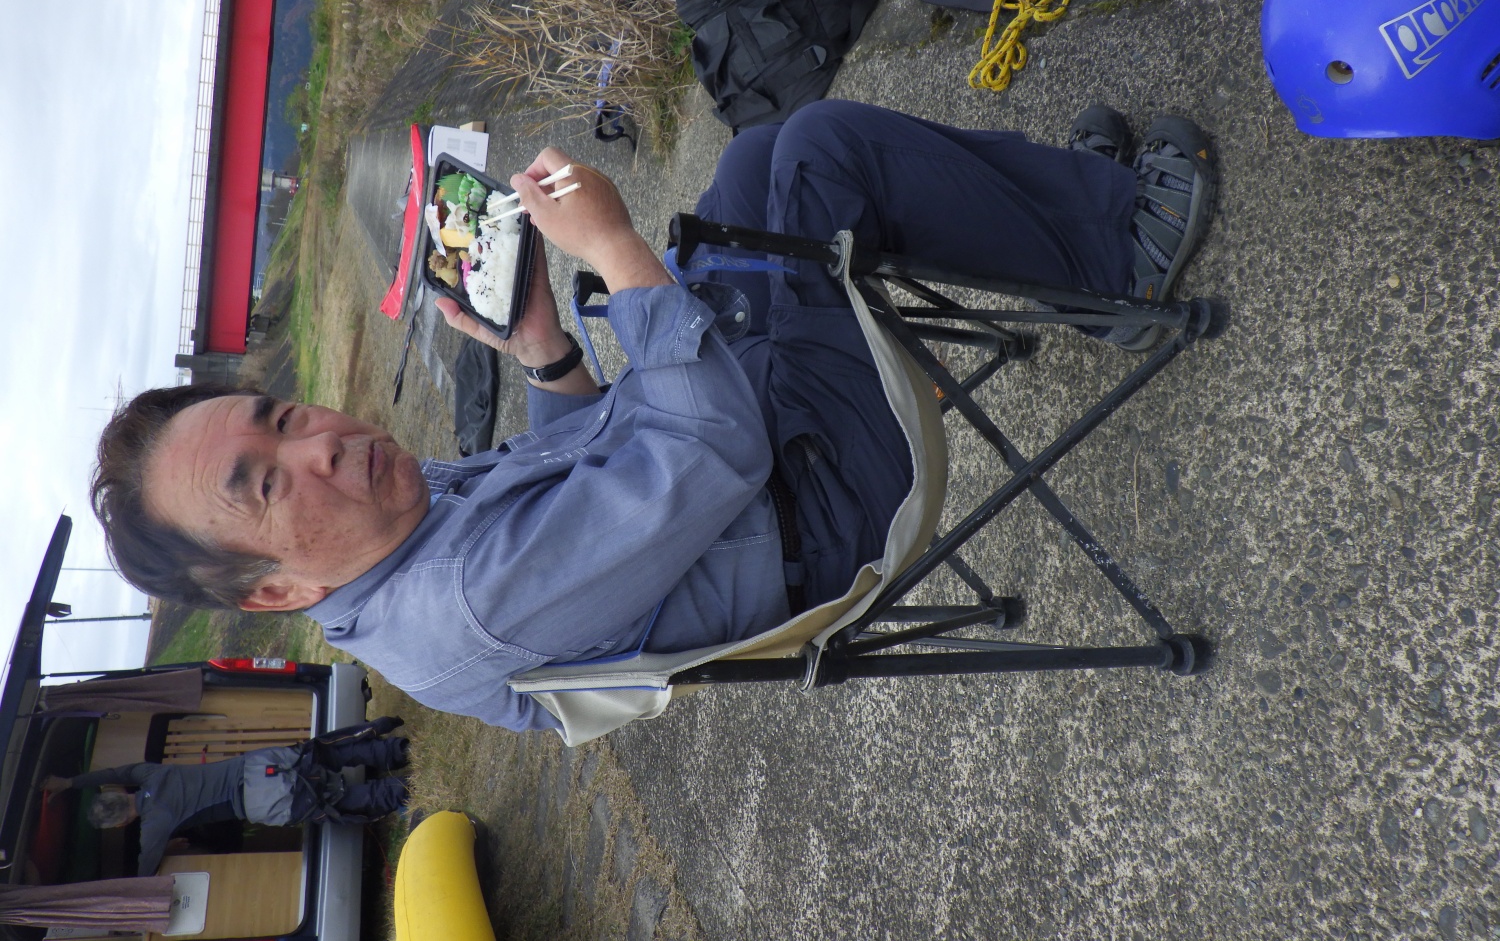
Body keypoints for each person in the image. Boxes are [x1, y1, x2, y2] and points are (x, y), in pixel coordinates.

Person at [91, 100, 1216, 733]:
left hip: (750, 466)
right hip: (821, 505)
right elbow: (705, 451)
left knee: (757, 164)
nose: (323, 443)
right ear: (275, 592)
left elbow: (583, 479)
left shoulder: (384, 542)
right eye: (269, 480)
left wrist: (542, 348)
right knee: (818, 162)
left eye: (282, 415)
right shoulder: (464, 602)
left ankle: (1046, 228)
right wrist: (616, 252)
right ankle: (1114, 258)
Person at [43, 721, 410, 875]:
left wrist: (164, 848)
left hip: (262, 799)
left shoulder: (155, 827)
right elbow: (113, 773)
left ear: (122, 822)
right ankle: (396, 750)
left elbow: (143, 871)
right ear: (120, 793)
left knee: (335, 801)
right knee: (328, 755)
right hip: (260, 764)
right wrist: (70, 782)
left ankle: (400, 791)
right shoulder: (149, 774)